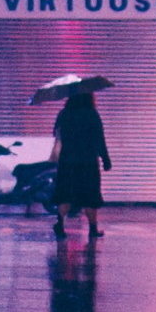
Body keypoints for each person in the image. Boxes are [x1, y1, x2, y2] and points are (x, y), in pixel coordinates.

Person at [51, 92, 110, 238]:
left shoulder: (64, 114)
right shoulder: (92, 114)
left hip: (68, 160)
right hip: (87, 160)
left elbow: (57, 135)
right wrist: (105, 159)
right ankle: (93, 228)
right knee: (90, 195)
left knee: (66, 193)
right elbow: (99, 138)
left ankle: (60, 223)